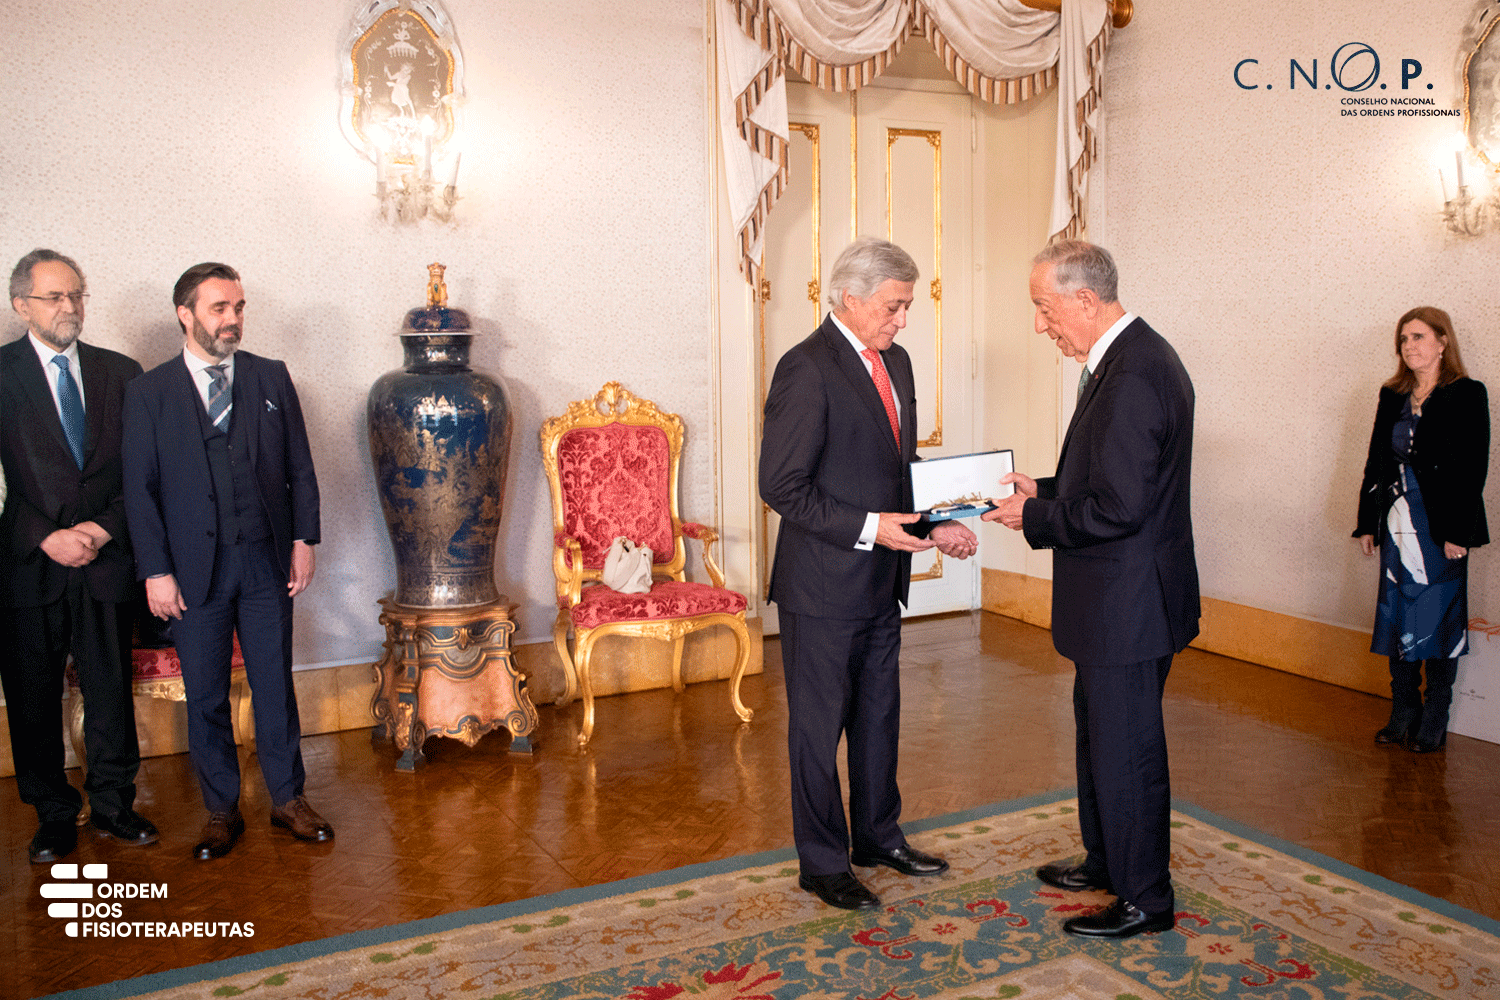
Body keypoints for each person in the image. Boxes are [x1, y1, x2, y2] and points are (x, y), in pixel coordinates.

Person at [983, 240, 1197, 939]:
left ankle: (1146, 899)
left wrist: (1034, 516)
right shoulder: (1129, 359)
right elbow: (1115, 479)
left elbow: (1119, 508)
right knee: (1100, 739)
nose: (1040, 325)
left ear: (1085, 299)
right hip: (1119, 601)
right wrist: (1042, 489)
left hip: (1128, 605)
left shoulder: (1134, 373)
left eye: (1045, 309)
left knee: (1126, 751)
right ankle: (1108, 861)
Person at [759, 237, 978, 911]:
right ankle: (823, 864)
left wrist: (935, 523)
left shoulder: (897, 362)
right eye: (893, 306)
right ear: (849, 298)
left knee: (880, 718)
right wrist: (869, 528)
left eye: (907, 306)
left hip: (884, 580)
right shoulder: (806, 368)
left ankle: (878, 837)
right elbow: (781, 485)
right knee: (818, 731)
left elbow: (899, 469)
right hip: (821, 587)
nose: (903, 320)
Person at [122, 262, 330, 860]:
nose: (232, 319)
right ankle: (221, 810)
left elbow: (299, 467)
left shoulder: (270, 376)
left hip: (266, 564)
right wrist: (156, 572)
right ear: (185, 314)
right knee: (206, 695)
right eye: (219, 308)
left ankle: (288, 798)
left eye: (238, 307)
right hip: (192, 575)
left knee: (274, 685)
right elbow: (140, 491)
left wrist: (304, 541)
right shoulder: (149, 392)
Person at [1, 249, 158, 864]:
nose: (70, 307)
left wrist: (100, 528)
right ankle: (53, 815)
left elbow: (142, 473)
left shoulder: (122, 373)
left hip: (105, 560)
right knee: (33, 697)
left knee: (109, 689)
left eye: (77, 295)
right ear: (22, 306)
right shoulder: (1, 374)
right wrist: (47, 536)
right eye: (55, 297)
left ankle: (115, 805)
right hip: (26, 565)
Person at [1353, 306, 1489, 753]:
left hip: (1441, 528)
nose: (1408, 346)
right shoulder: (1392, 393)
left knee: (1439, 619)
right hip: (1396, 523)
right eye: (1403, 339)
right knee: (1398, 616)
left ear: (1442, 341)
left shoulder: (1466, 393)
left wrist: (1459, 533)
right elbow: (1376, 461)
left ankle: (1435, 716)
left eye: (1418, 337)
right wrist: (1367, 522)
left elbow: (1473, 468)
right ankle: (1403, 710)